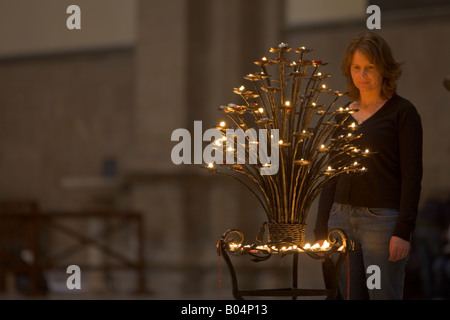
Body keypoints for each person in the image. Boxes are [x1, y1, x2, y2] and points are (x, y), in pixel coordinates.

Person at [314, 31, 423, 300]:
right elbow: (332, 174)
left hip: (382, 223)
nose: (362, 75)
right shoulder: (343, 116)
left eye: (370, 67)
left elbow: (412, 176)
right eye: (356, 68)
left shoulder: (402, 113)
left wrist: (403, 231)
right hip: (340, 220)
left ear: (384, 68)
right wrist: (320, 230)